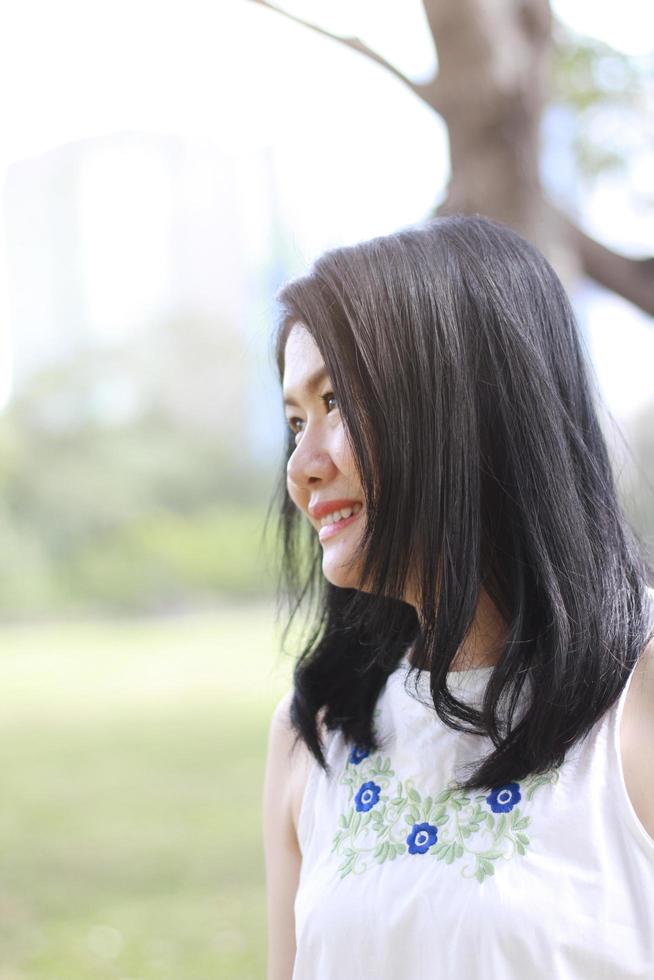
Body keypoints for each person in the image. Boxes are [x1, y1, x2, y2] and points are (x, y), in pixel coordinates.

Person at [261, 215, 654, 980]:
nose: (301, 464)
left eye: (336, 400)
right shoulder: (315, 730)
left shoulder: (639, 693)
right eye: (293, 420)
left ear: (465, 400)